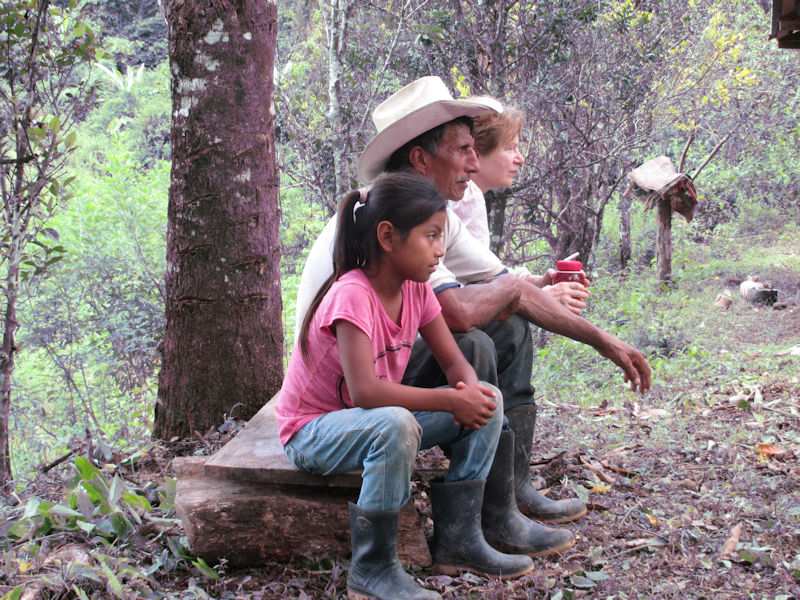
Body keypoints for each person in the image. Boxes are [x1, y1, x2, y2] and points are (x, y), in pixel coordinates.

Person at [295, 76, 651, 557]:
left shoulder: (435, 220)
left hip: (386, 372)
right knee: (480, 340)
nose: (473, 163)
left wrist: (604, 341)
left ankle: (502, 497)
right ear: (421, 158)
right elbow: (463, 312)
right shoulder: (394, 223)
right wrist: (457, 387)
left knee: (501, 334)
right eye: (463, 149)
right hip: (342, 396)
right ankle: (479, 517)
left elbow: (511, 288)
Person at [276, 173, 535, 600]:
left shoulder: (417, 290)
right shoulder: (352, 295)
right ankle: (373, 570)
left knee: (489, 400)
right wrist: (449, 399)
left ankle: (459, 541)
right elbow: (366, 393)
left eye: (442, 236)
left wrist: (468, 391)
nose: (439, 249)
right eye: (431, 236)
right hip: (313, 433)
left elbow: (454, 359)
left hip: (367, 423)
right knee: (396, 424)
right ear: (388, 237)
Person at [452, 105, 591, 315]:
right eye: (510, 148)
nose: (520, 158)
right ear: (477, 153)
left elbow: (487, 272)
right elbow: (479, 283)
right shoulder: (467, 196)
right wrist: (542, 295)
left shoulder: (468, 192)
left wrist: (538, 283)